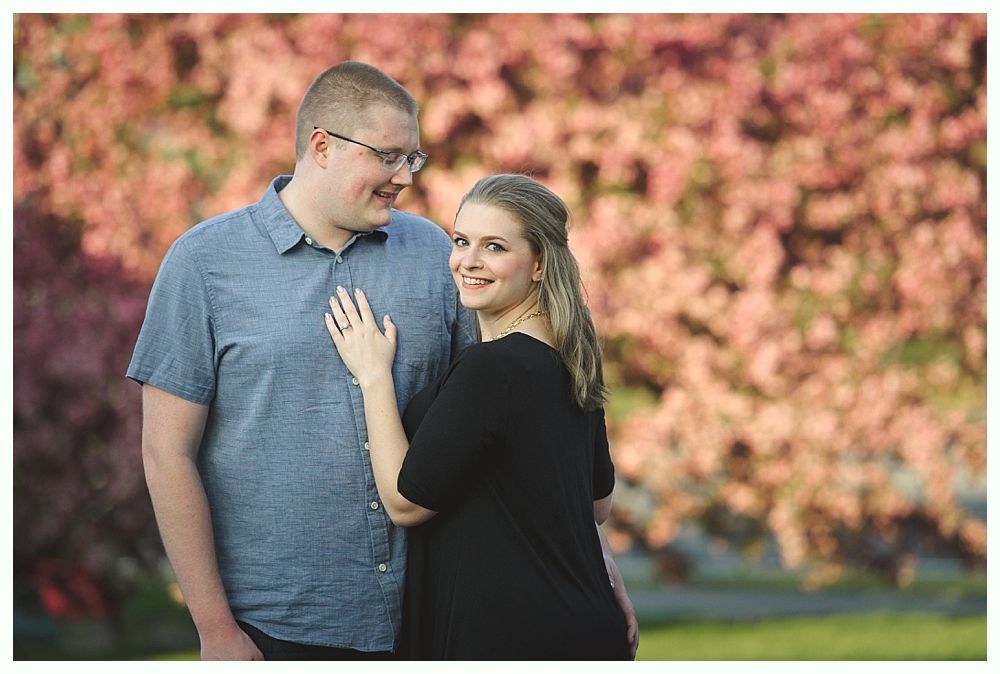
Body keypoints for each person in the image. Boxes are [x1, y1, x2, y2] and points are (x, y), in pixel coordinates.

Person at [126, 61, 477, 659]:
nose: (405, 177)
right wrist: (215, 631)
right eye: (389, 156)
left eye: (412, 159)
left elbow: (494, 417)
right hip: (273, 631)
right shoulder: (203, 264)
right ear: (322, 146)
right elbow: (167, 454)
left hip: (434, 621)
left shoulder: (436, 255)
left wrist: (594, 564)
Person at [325, 173, 640, 660]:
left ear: (538, 265)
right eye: (462, 241)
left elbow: (406, 504)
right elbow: (596, 506)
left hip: (510, 637)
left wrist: (373, 377)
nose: (468, 261)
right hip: (584, 624)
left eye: (494, 247)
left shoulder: (492, 368)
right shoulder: (571, 359)